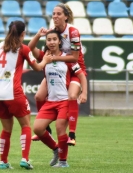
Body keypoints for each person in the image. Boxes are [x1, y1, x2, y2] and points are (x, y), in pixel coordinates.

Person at [0, 21, 52, 170]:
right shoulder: (22, 49)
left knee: (6, 129)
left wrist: (38, 35)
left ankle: (3, 161)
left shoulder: (0, 45)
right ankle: (25, 158)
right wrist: (46, 60)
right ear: (23, 34)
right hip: (13, 91)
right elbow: (38, 67)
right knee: (25, 125)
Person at [28, 3, 87, 146]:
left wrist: (53, 59)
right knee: (39, 96)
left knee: (72, 96)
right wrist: (40, 35)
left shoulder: (73, 32)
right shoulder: (53, 33)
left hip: (74, 69)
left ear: (66, 17)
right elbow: (32, 50)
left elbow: (74, 57)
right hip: (59, 69)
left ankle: (72, 135)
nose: (55, 16)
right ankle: (46, 129)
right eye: (53, 13)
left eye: (59, 13)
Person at [32, 29, 87, 167]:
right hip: (50, 102)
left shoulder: (67, 59)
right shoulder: (44, 57)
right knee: (38, 129)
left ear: (59, 42)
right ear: (46, 42)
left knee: (60, 129)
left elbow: (81, 75)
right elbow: (30, 48)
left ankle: (63, 161)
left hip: (64, 102)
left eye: (54, 40)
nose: (51, 42)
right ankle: (56, 149)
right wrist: (38, 35)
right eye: (49, 40)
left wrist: (84, 92)